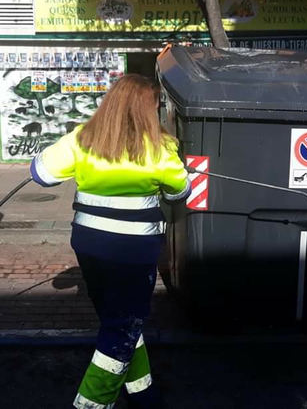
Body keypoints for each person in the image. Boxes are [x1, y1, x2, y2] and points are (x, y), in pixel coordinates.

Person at [30, 74, 191, 409]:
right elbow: (180, 193)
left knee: (117, 319)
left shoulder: (82, 139)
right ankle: (91, 403)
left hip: (89, 247)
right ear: (149, 110)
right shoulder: (159, 149)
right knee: (122, 328)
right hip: (135, 252)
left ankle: (144, 394)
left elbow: (40, 174)